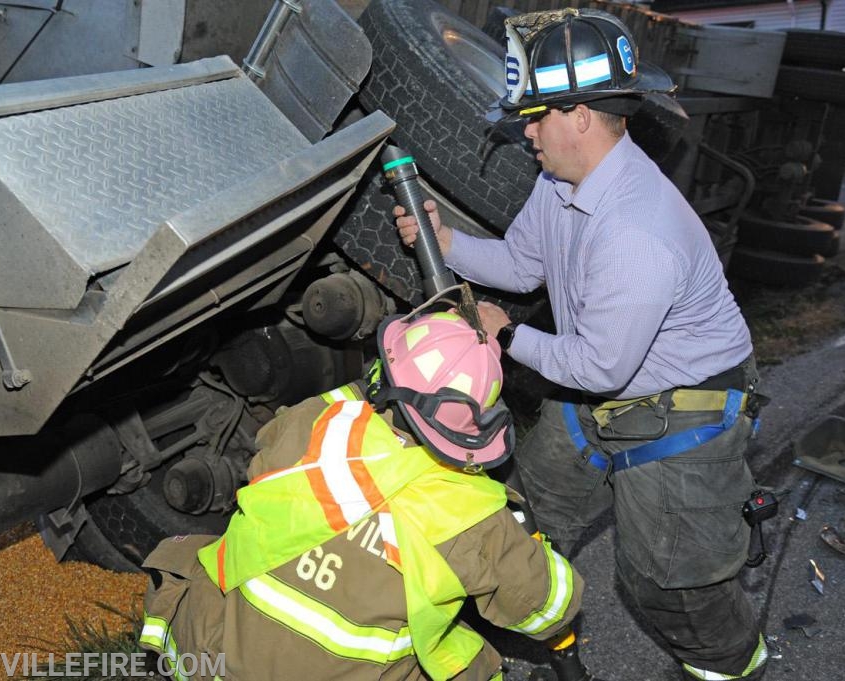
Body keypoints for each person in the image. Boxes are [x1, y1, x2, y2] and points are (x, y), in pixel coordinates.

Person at [394, 9, 769, 681]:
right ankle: (554, 650)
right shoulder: (560, 184)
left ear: (582, 116)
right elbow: (521, 264)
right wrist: (445, 242)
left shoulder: (636, 229)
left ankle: (730, 666)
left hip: (684, 406)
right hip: (603, 382)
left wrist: (505, 333)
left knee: (668, 582)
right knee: (528, 514)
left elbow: (599, 365)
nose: (526, 132)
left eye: (536, 116)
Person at [138, 310, 586, 681]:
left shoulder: (312, 424)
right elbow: (548, 609)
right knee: (474, 668)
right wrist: (535, 552)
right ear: (476, 425)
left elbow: (326, 414)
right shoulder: (472, 518)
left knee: (202, 558)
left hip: (211, 658)